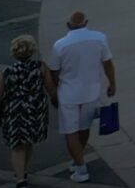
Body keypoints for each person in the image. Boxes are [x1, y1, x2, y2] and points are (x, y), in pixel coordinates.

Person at [49, 12, 114, 185]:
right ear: (86, 23)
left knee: (70, 131)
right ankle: (77, 159)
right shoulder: (99, 38)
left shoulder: (60, 45)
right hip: (91, 91)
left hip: (69, 93)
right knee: (84, 127)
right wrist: (112, 83)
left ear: (68, 25)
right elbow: (108, 63)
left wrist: (55, 91)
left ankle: (80, 166)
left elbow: (54, 72)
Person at [0, 33, 50, 187]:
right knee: (29, 141)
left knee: (17, 145)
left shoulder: (6, 72)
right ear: (32, 51)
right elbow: (50, 88)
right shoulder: (41, 67)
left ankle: (20, 179)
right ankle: (23, 171)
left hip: (15, 111)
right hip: (36, 110)